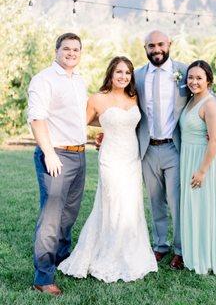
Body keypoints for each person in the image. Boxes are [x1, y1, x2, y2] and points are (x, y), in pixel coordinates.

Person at [58, 56, 158, 282]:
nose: (123, 77)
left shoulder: (134, 97)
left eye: (127, 73)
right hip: (111, 158)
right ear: (110, 74)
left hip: (132, 158)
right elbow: (82, 122)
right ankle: (107, 253)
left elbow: (136, 123)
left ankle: (130, 252)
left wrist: (107, 126)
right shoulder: (97, 98)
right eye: (119, 72)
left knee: (131, 204)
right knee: (112, 202)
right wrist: (105, 127)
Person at [27, 32, 88, 296]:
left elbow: (76, 117)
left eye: (76, 49)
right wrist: (49, 153)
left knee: (69, 215)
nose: (71, 53)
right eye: (66, 49)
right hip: (56, 156)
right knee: (51, 219)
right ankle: (43, 277)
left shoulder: (79, 81)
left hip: (79, 154)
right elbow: (37, 119)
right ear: (56, 51)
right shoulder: (44, 80)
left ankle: (62, 260)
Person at [134, 30, 189, 270]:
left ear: (170, 44)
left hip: (173, 148)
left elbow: (208, 93)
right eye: (151, 46)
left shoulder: (185, 72)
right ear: (145, 48)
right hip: (148, 149)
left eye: (161, 44)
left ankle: (180, 249)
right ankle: (160, 245)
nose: (157, 50)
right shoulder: (136, 76)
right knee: (155, 201)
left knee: (175, 202)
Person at [179, 60, 216, 274]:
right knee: (193, 206)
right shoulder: (191, 101)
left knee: (204, 206)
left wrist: (202, 171)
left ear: (208, 80)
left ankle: (206, 255)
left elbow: (214, 141)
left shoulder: (209, 104)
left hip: (203, 161)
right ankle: (192, 252)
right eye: (190, 77)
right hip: (188, 157)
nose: (194, 81)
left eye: (199, 78)